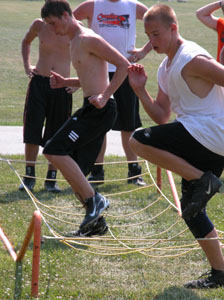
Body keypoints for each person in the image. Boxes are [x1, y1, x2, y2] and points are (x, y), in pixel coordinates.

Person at [128, 4, 224, 288]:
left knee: (137, 140)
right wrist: (139, 90)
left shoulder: (192, 58)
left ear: (173, 29)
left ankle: (202, 179)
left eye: (156, 34)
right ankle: (220, 273)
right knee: (192, 210)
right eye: (148, 35)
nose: (152, 41)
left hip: (211, 133)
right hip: (201, 138)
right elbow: (161, 115)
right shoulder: (165, 67)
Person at [41, 0, 130, 236]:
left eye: (52, 23)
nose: (51, 29)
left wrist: (105, 96)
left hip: (100, 110)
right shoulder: (74, 42)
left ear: (65, 16)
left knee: (53, 150)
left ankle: (95, 201)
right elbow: (90, 76)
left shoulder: (88, 38)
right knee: (76, 172)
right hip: (92, 107)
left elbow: (124, 64)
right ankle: (95, 224)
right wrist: (66, 82)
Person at [73, 0, 152, 186]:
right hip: (98, 72)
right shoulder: (92, 5)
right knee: (98, 124)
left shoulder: (133, 6)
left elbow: (159, 23)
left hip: (125, 71)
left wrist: (143, 51)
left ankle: (134, 172)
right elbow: (69, 23)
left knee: (128, 125)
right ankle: (97, 172)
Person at [19, 0, 72, 193]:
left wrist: (76, 83)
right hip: (39, 83)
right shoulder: (38, 25)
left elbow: (88, 58)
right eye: (47, 21)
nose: (49, 25)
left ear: (64, 15)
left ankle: (51, 179)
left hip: (62, 86)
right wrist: (27, 66)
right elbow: (26, 42)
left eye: (52, 21)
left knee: (57, 133)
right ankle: (29, 176)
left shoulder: (77, 30)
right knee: (32, 129)